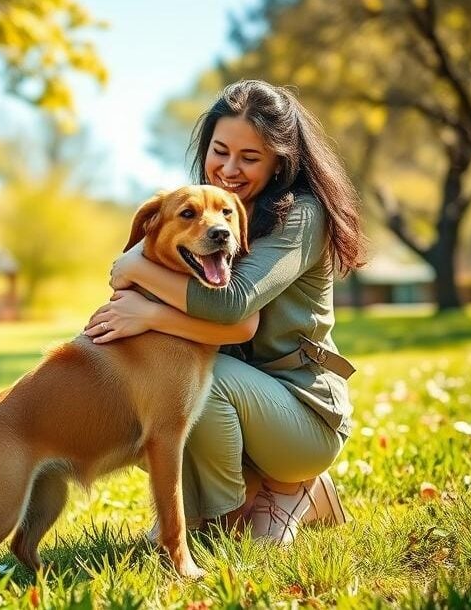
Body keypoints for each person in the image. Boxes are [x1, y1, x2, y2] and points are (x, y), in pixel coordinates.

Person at [84, 80, 365, 543]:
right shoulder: (211, 213)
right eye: (220, 151)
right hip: (246, 402)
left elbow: (234, 305)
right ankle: (237, 505)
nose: (229, 169)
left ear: (281, 159)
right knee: (156, 377)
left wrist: (135, 271)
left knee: (197, 379)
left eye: (250, 158)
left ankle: (250, 507)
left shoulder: (301, 216)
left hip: (303, 414)